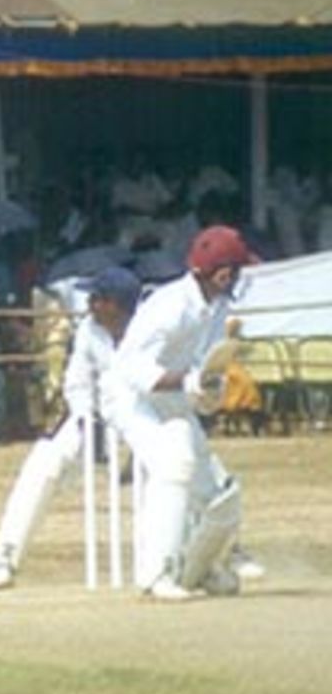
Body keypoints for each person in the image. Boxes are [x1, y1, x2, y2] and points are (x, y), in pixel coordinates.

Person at [107, 225, 257, 601]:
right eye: (236, 270)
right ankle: (155, 574)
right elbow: (134, 368)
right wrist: (188, 381)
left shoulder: (218, 305)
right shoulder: (169, 305)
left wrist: (208, 389)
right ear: (222, 272)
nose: (237, 278)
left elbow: (201, 367)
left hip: (171, 398)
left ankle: (198, 568)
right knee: (174, 464)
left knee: (222, 497)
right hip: (131, 399)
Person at [0, 267, 142, 589]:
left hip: (142, 417)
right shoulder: (88, 329)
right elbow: (77, 382)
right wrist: (87, 421)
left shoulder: (149, 331)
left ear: (119, 305)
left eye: (99, 298)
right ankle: (6, 556)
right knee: (43, 464)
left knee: (180, 469)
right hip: (95, 417)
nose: (91, 303)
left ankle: (216, 554)